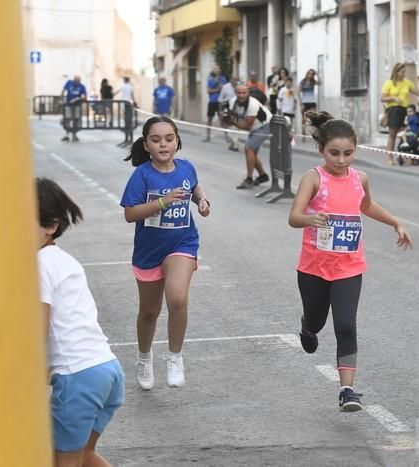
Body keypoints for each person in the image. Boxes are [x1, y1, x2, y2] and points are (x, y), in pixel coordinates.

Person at [288, 111, 413, 411]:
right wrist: (310, 218)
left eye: (348, 153)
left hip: (348, 266)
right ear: (321, 150)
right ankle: (307, 327)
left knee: (345, 325)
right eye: (334, 153)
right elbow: (294, 217)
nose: (342, 160)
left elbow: (367, 206)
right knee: (318, 321)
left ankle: (348, 390)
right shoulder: (313, 178)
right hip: (314, 268)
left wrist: (396, 222)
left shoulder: (361, 179)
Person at [36, 177, 124, 467]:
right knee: (85, 456)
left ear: (50, 226)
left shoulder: (38, 265)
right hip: (107, 370)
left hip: (78, 378)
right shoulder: (64, 260)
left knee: (64, 462)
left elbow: (39, 326)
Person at [120, 116, 211, 390]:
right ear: (146, 145)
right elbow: (129, 214)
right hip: (149, 250)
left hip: (182, 244)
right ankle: (144, 357)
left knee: (178, 297)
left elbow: (194, 186)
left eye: (169, 139)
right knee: (149, 311)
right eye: (156, 140)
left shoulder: (186, 168)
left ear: (177, 141)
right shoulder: (142, 175)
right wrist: (162, 202)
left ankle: (174, 357)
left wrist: (202, 201)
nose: (163, 144)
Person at [228, 84, 273, 189]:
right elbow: (230, 116)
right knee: (251, 152)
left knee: (248, 148)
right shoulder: (233, 102)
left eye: (244, 93)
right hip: (255, 128)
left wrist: (234, 122)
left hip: (266, 125)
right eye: (239, 93)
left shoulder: (252, 104)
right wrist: (226, 118)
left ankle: (249, 179)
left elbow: (247, 126)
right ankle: (263, 176)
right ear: (235, 93)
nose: (241, 95)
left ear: (248, 93)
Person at [381, 63, 418, 164]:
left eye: (404, 72)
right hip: (393, 110)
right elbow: (382, 98)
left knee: (405, 133)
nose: (403, 74)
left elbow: (417, 91)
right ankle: (390, 158)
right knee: (392, 134)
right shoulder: (389, 83)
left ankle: (404, 154)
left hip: (404, 110)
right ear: (396, 72)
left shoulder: (407, 83)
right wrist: (393, 98)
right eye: (402, 72)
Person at [204, 64, 227, 142]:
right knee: (209, 119)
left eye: (217, 69)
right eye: (215, 69)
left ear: (220, 70)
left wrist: (220, 88)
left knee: (222, 119)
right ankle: (208, 136)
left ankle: (226, 136)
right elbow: (208, 91)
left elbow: (224, 89)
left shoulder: (223, 79)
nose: (216, 70)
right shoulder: (210, 79)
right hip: (212, 101)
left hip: (220, 102)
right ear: (213, 71)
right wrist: (217, 88)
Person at [61, 75, 87, 142]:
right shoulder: (69, 83)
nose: (76, 83)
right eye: (75, 81)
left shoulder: (82, 86)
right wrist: (62, 99)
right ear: (73, 80)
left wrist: (77, 98)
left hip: (77, 105)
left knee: (76, 119)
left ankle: (74, 134)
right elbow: (63, 90)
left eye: (78, 81)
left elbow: (84, 96)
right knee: (67, 118)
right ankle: (66, 134)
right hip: (68, 104)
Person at [219, 76, 239, 151]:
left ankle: (235, 144)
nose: (235, 82)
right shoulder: (225, 87)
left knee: (236, 126)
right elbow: (220, 99)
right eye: (233, 80)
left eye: (236, 80)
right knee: (228, 126)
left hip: (237, 108)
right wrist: (220, 111)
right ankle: (232, 142)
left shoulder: (240, 87)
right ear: (230, 80)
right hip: (228, 107)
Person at [118, 77, 136, 147]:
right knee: (129, 122)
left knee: (127, 122)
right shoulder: (130, 86)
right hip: (129, 104)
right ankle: (129, 139)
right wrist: (134, 102)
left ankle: (127, 139)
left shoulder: (122, 86)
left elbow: (117, 92)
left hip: (124, 104)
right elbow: (132, 96)